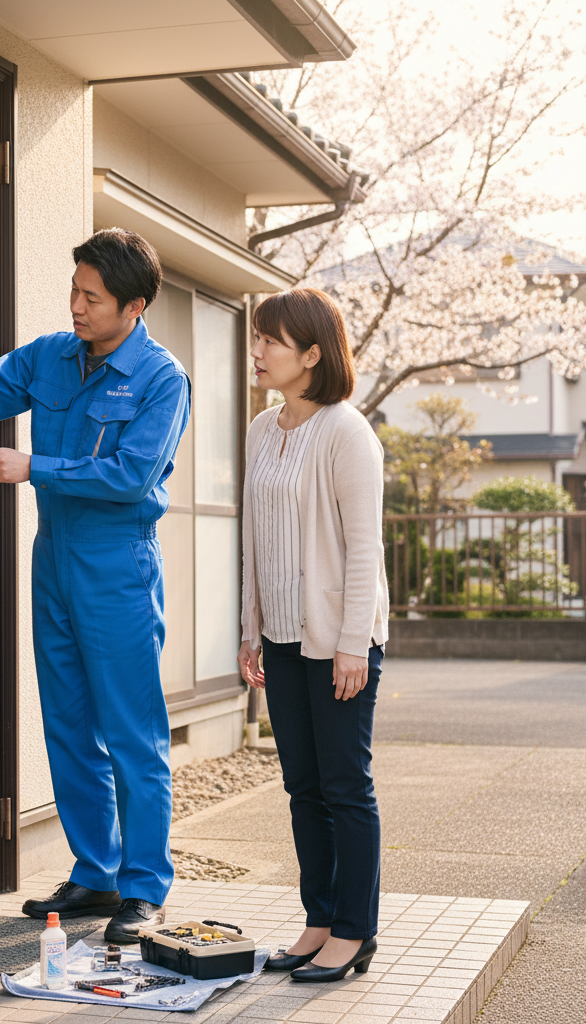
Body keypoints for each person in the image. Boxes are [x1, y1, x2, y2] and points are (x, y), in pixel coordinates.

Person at [0, 228, 190, 943]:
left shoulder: (161, 378)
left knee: (131, 732)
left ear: (134, 306)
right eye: (74, 291)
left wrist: (35, 468)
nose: (77, 307)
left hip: (118, 564)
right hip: (53, 556)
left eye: (92, 297)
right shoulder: (53, 355)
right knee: (67, 722)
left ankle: (143, 886)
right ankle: (95, 872)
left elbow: (131, 475)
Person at [237, 287, 389, 982]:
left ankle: (355, 933)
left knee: (343, 786)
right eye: (258, 337)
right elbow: (251, 537)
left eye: (271, 339)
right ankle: (318, 920)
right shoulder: (262, 429)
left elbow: (365, 550)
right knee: (302, 786)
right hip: (282, 638)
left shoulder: (346, 432)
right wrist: (250, 628)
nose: (258, 349)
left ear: (312, 354)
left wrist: (355, 643)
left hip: (338, 642)